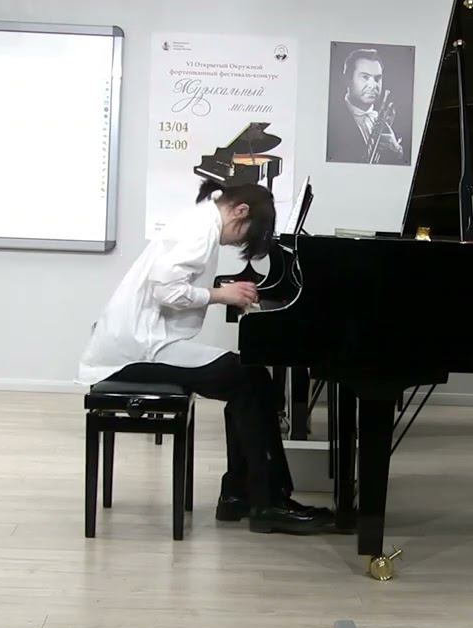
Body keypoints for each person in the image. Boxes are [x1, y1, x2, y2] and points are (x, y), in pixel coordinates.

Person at [76, 181, 335, 535]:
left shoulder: (201, 221)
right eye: (245, 236)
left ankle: (241, 494)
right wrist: (221, 295)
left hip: (141, 341)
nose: (239, 243)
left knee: (250, 377)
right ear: (240, 211)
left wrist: (223, 293)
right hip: (137, 350)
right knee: (249, 378)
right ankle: (266, 502)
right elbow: (166, 290)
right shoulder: (201, 229)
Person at [326, 48, 405, 164]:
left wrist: (397, 150)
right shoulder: (330, 119)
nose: (373, 85)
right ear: (347, 79)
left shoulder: (392, 121)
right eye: (365, 77)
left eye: (377, 78)